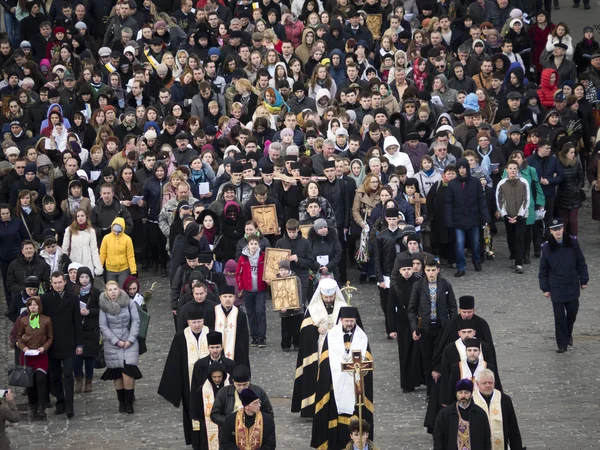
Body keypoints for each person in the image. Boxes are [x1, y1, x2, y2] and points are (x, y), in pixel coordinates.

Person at [311, 306, 373, 450]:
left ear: (356, 320)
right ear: (341, 320)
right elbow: (325, 362)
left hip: (356, 387)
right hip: (334, 385)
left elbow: (367, 364)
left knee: (355, 416)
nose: (349, 324)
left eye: (352, 321)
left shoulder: (361, 338)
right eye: (346, 321)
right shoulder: (331, 336)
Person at [291, 278, 349, 418]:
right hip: (319, 347)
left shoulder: (343, 306)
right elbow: (304, 330)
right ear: (321, 295)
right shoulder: (313, 308)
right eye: (326, 297)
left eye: (331, 296)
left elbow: (350, 325)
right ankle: (316, 406)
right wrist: (316, 328)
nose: (329, 299)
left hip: (338, 348)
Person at [158, 310, 211, 448]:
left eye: (199, 321)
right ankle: (195, 441)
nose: (197, 325)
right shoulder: (181, 337)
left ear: (203, 321)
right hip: (189, 383)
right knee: (192, 411)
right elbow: (174, 363)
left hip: (210, 383)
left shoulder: (211, 334)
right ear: (188, 323)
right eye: (194, 322)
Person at [408, 257, 457, 396]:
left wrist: (452, 326)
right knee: (427, 360)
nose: (431, 273)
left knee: (443, 357)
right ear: (424, 271)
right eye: (428, 270)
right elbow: (411, 309)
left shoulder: (445, 285)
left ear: (438, 270)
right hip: (425, 328)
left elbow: (452, 307)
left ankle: (443, 389)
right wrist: (414, 328)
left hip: (442, 327)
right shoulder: (418, 286)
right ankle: (431, 391)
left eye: (433, 270)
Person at [538, 218, 589, 353]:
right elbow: (543, 270)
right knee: (559, 317)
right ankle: (562, 343)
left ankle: (568, 333)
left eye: (559, 228)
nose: (558, 231)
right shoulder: (547, 248)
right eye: (555, 229)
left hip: (571, 284)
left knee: (572, 312)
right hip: (557, 287)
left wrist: (584, 280)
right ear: (550, 231)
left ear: (563, 229)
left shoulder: (572, 243)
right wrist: (545, 288)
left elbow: (580, 262)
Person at [41, 271, 83, 419]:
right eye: (55, 283)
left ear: (64, 282)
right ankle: (60, 402)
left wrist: (79, 344)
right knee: (54, 376)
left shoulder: (72, 298)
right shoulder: (45, 299)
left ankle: (70, 406)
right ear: (51, 283)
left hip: (69, 342)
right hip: (52, 343)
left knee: (68, 375)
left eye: (60, 282)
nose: (58, 285)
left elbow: (77, 322)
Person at [99, 280, 141, 414]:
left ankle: (129, 402)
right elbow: (103, 326)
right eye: (110, 290)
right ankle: (121, 402)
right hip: (112, 343)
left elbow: (136, 320)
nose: (112, 292)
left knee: (128, 371)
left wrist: (130, 339)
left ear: (119, 290)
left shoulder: (129, 302)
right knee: (117, 373)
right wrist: (116, 341)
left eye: (114, 289)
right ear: (106, 292)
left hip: (129, 341)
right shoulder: (103, 307)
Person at [445, 158, 490, 277]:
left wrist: (485, 217)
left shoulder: (475, 182)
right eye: (459, 168)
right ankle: (461, 267)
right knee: (459, 244)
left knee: (475, 242)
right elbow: (448, 203)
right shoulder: (452, 184)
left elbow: (481, 201)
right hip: (458, 219)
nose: (462, 170)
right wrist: (449, 220)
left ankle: (476, 261)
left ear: (467, 168)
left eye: (464, 167)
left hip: (473, 217)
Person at [388, 255, 424, 393]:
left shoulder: (419, 281)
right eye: (404, 269)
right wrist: (391, 328)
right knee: (405, 352)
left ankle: (421, 379)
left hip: (418, 321)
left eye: (409, 269)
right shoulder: (395, 284)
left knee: (420, 352)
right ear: (400, 270)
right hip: (402, 322)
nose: (407, 272)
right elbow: (390, 307)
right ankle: (407, 383)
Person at [16, 296, 53, 420]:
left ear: (39, 306)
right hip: (27, 356)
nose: (33, 307)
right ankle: (32, 406)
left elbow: (50, 337)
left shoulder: (46, 320)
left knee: (41, 380)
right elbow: (19, 337)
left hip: (41, 355)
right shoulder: (23, 320)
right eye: (31, 305)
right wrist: (23, 347)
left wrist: (44, 347)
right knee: (30, 383)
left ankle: (42, 406)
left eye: (35, 305)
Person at [433, 379, 492, 450]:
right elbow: (438, 438)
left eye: (466, 392)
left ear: (471, 393)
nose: (463, 395)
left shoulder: (480, 414)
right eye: (460, 393)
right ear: (456, 394)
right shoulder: (445, 414)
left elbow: (486, 440)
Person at [473, 369, 525, 450]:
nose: (487, 385)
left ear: (494, 383)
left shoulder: (504, 400)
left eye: (490, 383)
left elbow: (513, 427)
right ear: (477, 384)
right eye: (484, 383)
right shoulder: (471, 401)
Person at [495, 160, 531, 274]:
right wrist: (505, 214)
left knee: (520, 238)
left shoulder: (524, 182)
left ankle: (519, 263)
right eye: (510, 168)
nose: (512, 171)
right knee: (511, 238)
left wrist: (519, 215)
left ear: (518, 170)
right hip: (508, 216)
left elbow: (526, 200)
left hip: (521, 216)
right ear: (507, 170)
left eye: (515, 169)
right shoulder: (502, 183)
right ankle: (514, 256)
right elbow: (499, 200)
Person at [374, 207, 403, 338]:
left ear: (398, 219)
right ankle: (390, 329)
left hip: (400, 274)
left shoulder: (402, 235)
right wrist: (380, 279)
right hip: (386, 275)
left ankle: (399, 327)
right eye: (390, 219)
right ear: (386, 219)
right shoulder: (381, 236)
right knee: (387, 304)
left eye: (394, 219)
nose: (392, 221)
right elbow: (377, 258)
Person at [205, 285, 250, 368]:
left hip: (235, 352)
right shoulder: (212, 312)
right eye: (225, 296)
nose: (227, 299)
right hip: (215, 352)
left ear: (234, 298)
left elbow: (243, 338)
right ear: (220, 298)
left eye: (230, 296)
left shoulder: (240, 314)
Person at [235, 234, 268, 348]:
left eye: (255, 244)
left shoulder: (264, 256)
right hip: (248, 289)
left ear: (258, 245)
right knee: (250, 313)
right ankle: (254, 336)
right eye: (251, 244)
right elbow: (238, 274)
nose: (253, 246)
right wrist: (240, 287)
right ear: (248, 245)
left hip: (261, 289)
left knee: (260, 312)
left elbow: (269, 270)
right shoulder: (243, 258)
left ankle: (262, 337)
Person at [190, 362, 231, 450]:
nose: (217, 379)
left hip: (226, 423)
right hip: (207, 426)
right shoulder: (201, 390)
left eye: (219, 377)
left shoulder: (230, 389)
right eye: (214, 377)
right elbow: (196, 410)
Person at [73, 266, 101, 394]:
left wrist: (89, 312)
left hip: (91, 328)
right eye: (82, 277)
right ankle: (78, 379)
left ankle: (89, 381)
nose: (84, 280)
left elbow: (100, 310)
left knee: (89, 358)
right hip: (77, 329)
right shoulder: (73, 292)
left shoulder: (96, 292)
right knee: (77, 357)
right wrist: (78, 312)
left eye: (86, 277)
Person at [272, 259, 303, 351]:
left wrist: (298, 304)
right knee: (286, 329)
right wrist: (279, 307)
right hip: (284, 310)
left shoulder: (295, 279)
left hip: (296, 310)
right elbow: (276, 296)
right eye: (281, 270)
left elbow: (299, 292)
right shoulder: (276, 281)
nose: (283, 272)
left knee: (297, 328)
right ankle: (286, 345)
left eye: (285, 270)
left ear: (289, 270)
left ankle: (297, 344)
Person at [62, 208, 103, 277]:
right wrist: (64, 263)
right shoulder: (69, 230)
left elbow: (94, 250)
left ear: (86, 217)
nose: (80, 218)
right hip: (73, 261)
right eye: (78, 216)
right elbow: (65, 248)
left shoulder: (91, 231)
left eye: (82, 216)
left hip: (87, 262)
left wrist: (98, 267)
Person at [99, 217, 137, 285]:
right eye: (114, 231)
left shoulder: (127, 239)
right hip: (110, 270)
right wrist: (99, 268)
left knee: (122, 290)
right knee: (111, 290)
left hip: (123, 269)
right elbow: (102, 254)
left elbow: (130, 256)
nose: (116, 233)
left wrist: (133, 271)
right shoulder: (106, 238)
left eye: (118, 232)